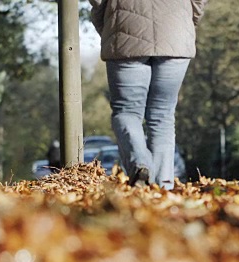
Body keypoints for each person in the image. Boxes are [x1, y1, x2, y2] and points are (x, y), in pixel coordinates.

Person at [89, 0, 208, 189]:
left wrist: (107, 21)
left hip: (125, 28)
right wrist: (188, 16)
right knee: (163, 116)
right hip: (175, 28)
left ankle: (140, 164)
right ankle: (163, 186)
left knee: (127, 112)